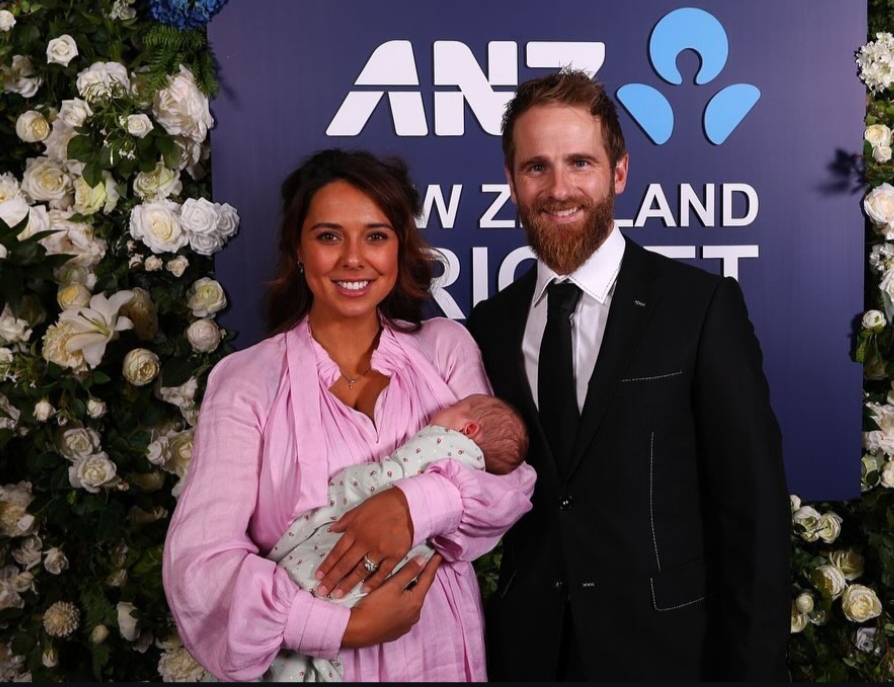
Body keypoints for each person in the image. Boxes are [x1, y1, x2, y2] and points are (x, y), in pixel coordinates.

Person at [163, 149, 536, 682]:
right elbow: (199, 567)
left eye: (376, 236)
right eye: (329, 236)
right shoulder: (246, 381)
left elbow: (508, 489)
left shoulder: (445, 350)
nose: (354, 259)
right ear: (298, 248)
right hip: (314, 663)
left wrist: (414, 504)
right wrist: (341, 628)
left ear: (401, 248)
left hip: (440, 652)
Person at [466, 70, 791, 681]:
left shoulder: (699, 308)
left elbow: (754, 520)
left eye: (580, 163)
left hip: (667, 655)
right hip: (527, 656)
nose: (559, 189)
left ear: (618, 172)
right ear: (511, 182)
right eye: (536, 167)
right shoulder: (490, 325)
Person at [266, 393, 528, 681]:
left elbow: (395, 472)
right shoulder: (471, 471)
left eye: (452, 408)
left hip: (412, 614)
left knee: (319, 584)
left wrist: (380, 490)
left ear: (469, 430)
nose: (440, 408)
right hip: (399, 595)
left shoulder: (444, 443)